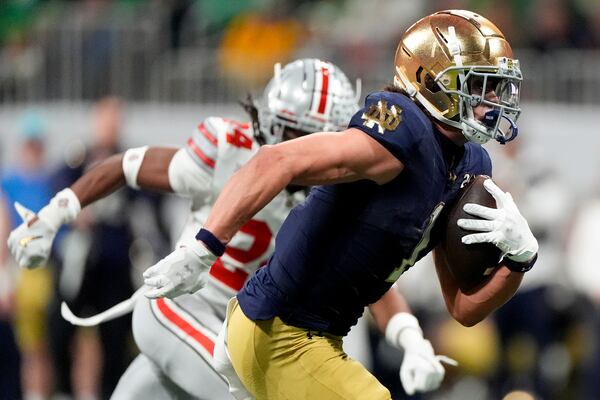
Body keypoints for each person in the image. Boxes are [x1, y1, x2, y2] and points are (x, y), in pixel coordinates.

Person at [138, 10, 539, 400]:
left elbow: (463, 307)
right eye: (479, 85)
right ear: (430, 80)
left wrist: (520, 259)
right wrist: (205, 246)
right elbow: (274, 160)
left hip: (318, 338)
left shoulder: (471, 164)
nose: (493, 100)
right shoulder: (403, 129)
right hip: (279, 329)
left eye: (497, 87)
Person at [7, 58, 449, 398]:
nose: (330, 153)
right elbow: (128, 164)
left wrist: (412, 341)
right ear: (284, 128)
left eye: (336, 137)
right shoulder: (228, 151)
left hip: (240, 330)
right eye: (318, 136)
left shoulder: (338, 192)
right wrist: (56, 212)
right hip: (181, 312)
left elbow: (367, 284)